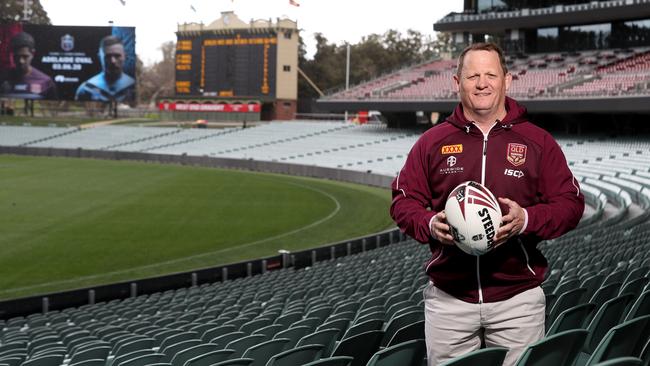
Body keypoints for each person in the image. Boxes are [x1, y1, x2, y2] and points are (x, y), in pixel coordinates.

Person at [390, 42, 584, 366]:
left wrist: (527, 219)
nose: (482, 83)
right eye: (473, 76)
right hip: (449, 298)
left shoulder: (537, 141)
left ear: (507, 80)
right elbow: (403, 200)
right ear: (457, 83)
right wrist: (428, 224)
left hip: (518, 299)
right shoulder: (431, 142)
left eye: (491, 74)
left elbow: (571, 203)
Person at [75, 35, 135, 102]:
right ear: (99, 57)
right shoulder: (86, 88)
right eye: (108, 56)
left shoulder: (132, 86)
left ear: (125, 57)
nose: (113, 61)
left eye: (117, 56)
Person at [0, 31, 57, 99]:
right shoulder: (2, 78)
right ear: (12, 55)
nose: (21, 61)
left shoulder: (46, 81)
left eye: (25, 56)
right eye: (17, 57)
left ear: (33, 54)